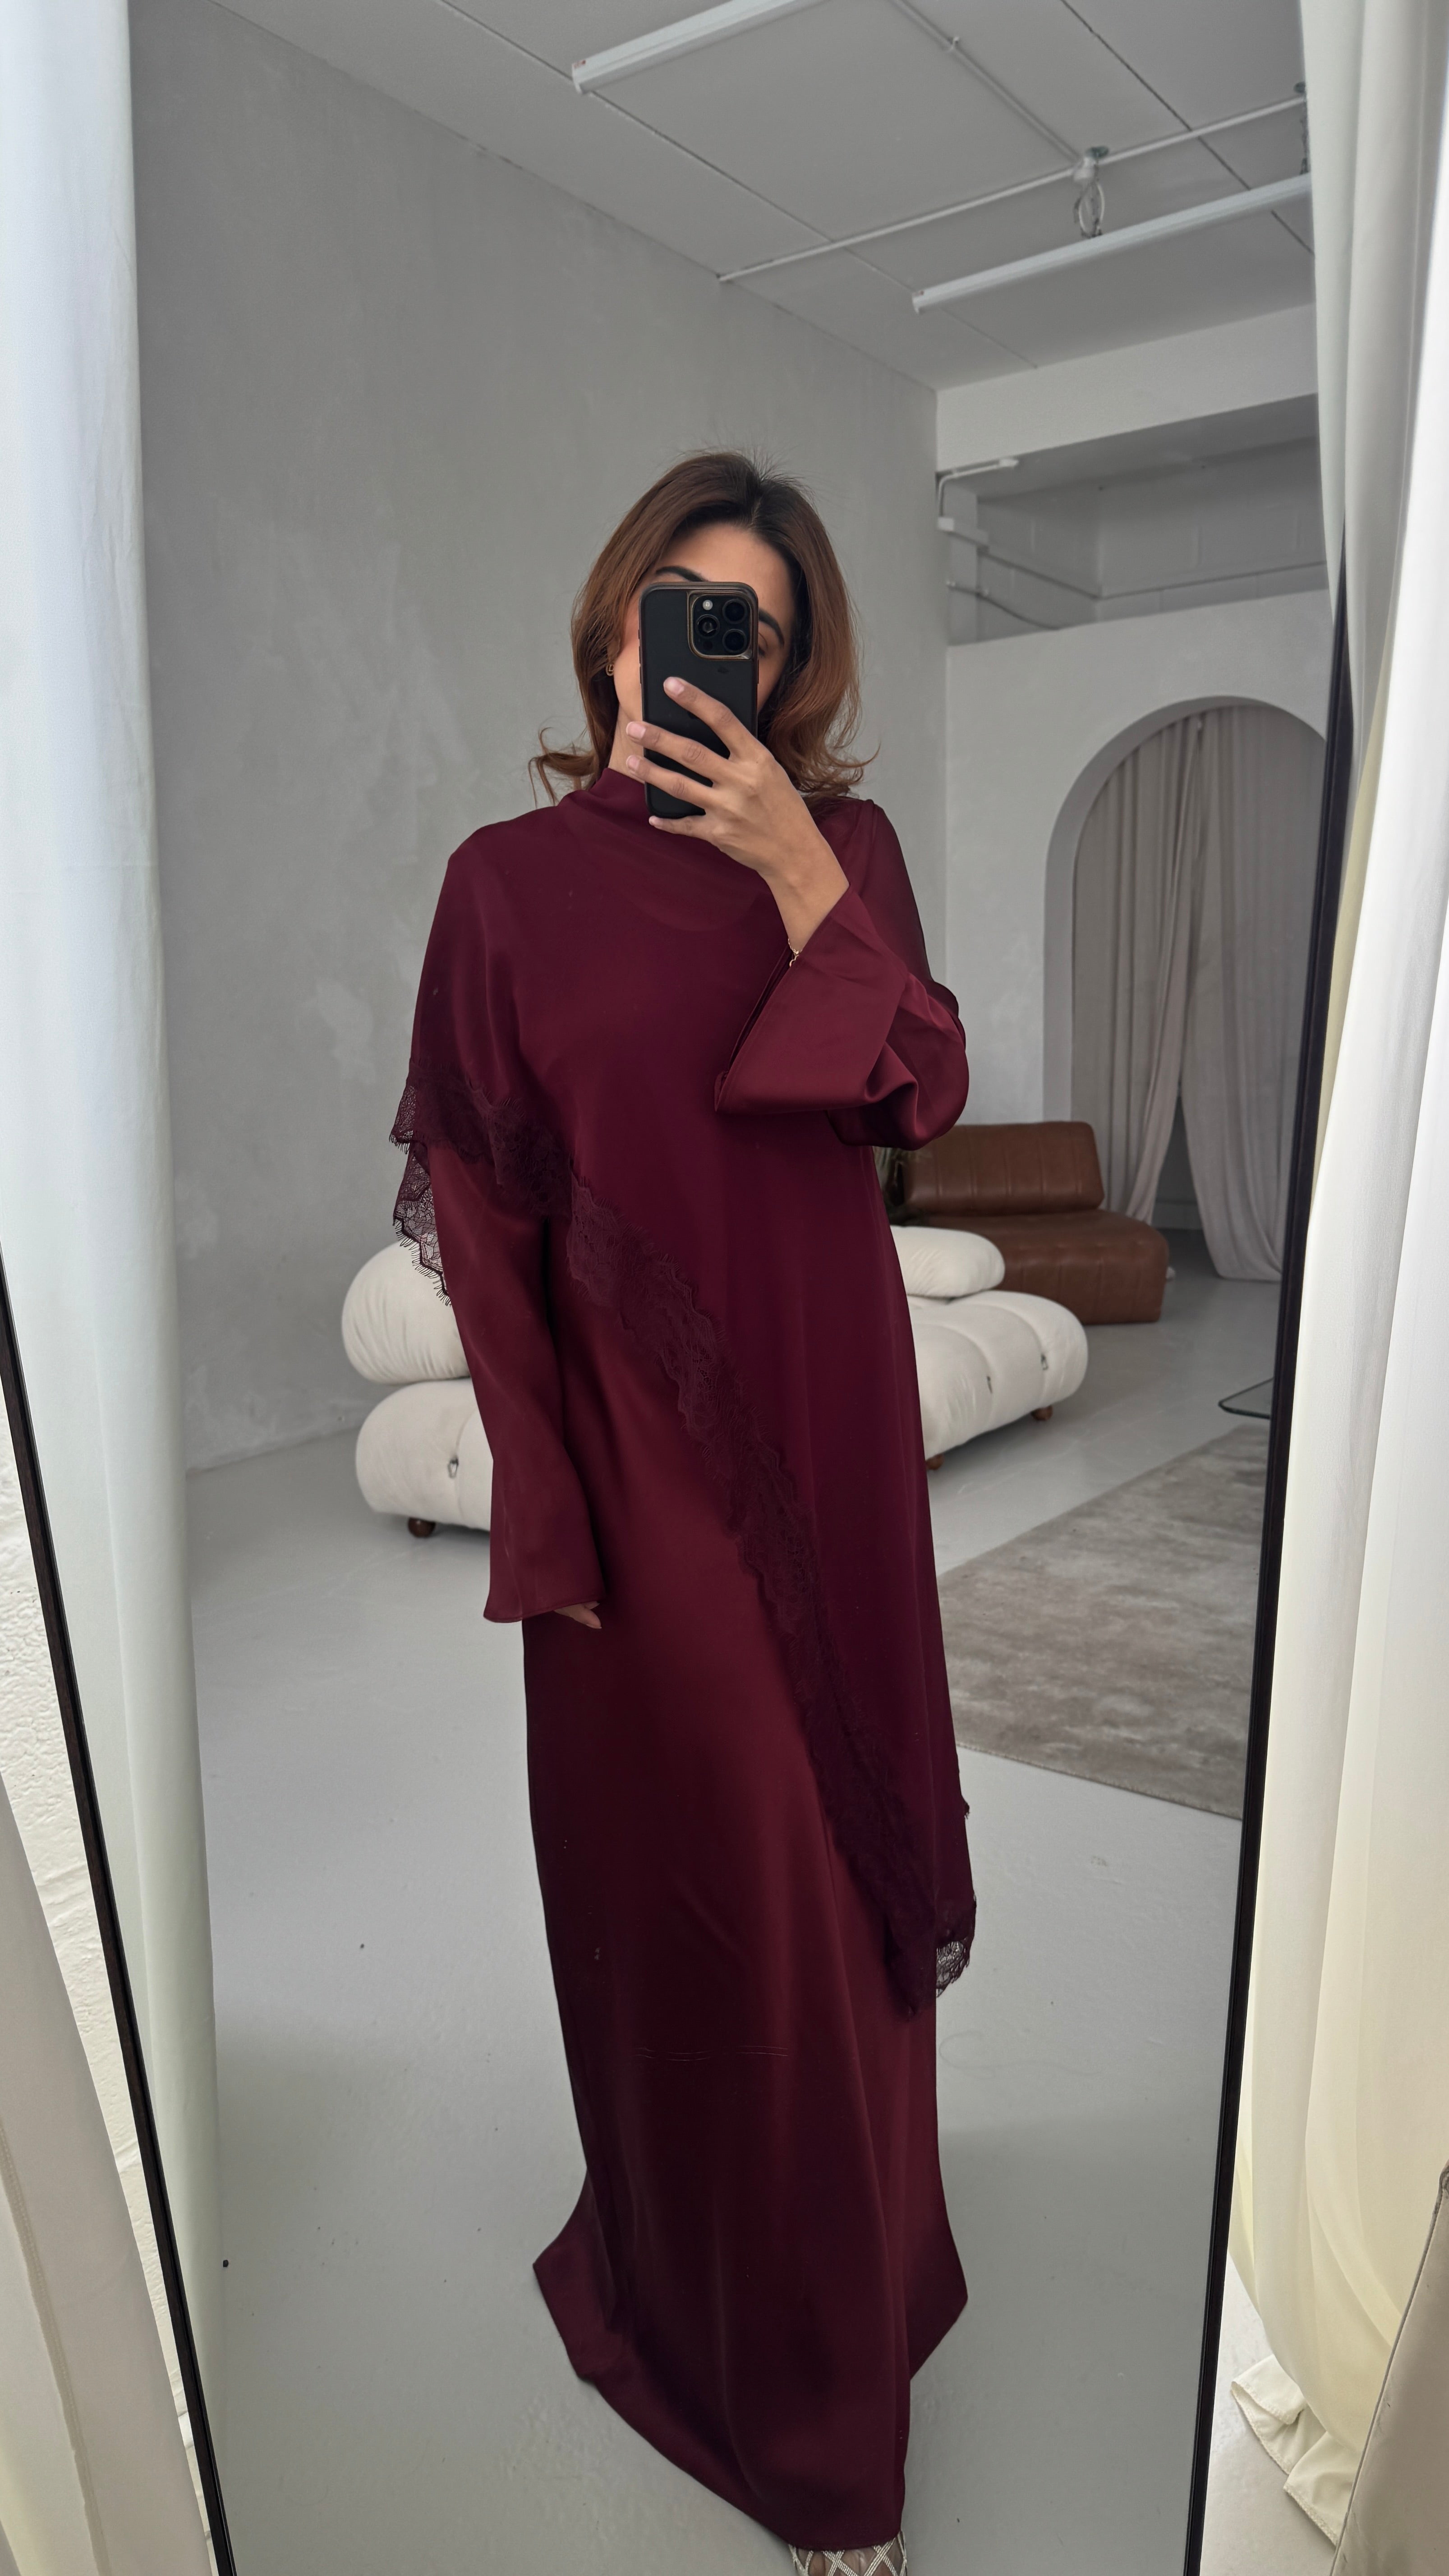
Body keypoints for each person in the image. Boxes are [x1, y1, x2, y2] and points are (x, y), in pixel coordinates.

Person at [391, 452, 975, 2575]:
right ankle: (786, 2405)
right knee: (710, 1899)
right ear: (617, 626)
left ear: (790, 674)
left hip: (833, 1425)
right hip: (650, 1470)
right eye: (682, 609)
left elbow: (916, 1086)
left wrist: (803, 872)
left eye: (760, 631)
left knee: (835, 1886)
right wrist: (547, 1527)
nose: (709, 655)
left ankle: (856, 2291)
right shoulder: (503, 887)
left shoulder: (848, 852)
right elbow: (485, 1215)